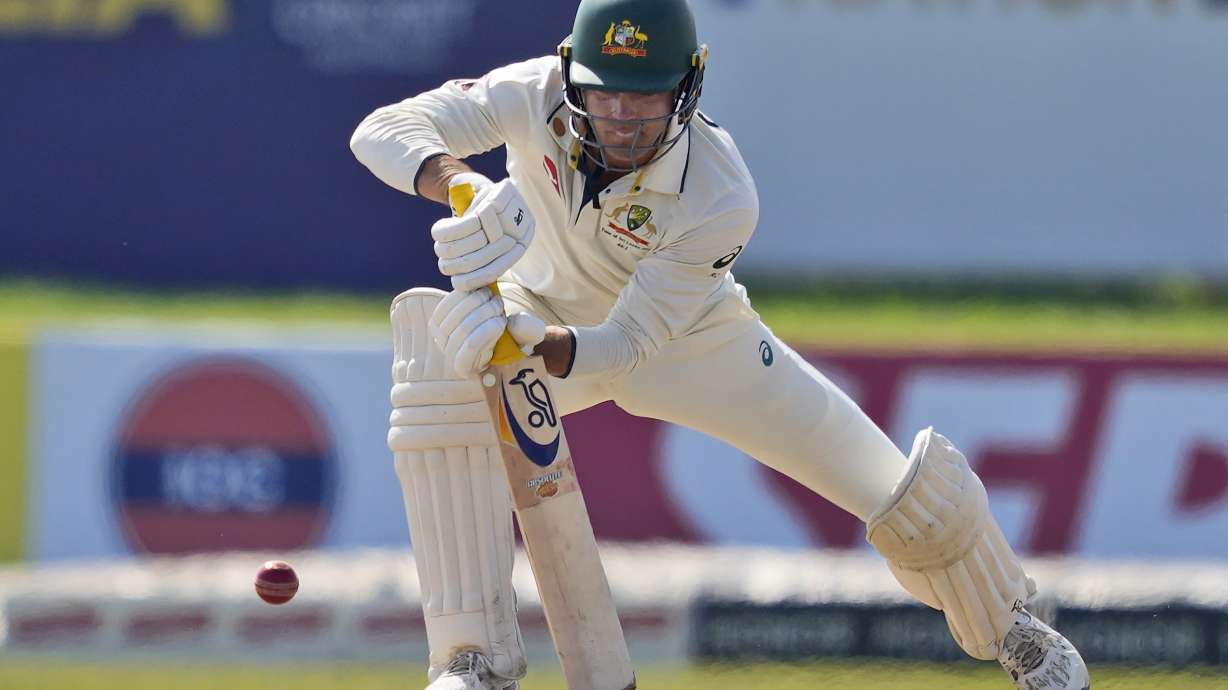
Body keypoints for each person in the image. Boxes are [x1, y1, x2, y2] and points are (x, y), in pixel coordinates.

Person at [351, 1, 1091, 688]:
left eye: (645, 97)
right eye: (605, 95)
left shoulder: (720, 191)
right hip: (538, 306)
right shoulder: (531, 92)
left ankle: (1012, 626)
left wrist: (534, 348)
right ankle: (473, 661)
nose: (621, 119)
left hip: (691, 342)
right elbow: (381, 129)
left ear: (688, 86)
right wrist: (462, 186)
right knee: (441, 386)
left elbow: (628, 346)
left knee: (892, 486)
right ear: (571, 72)